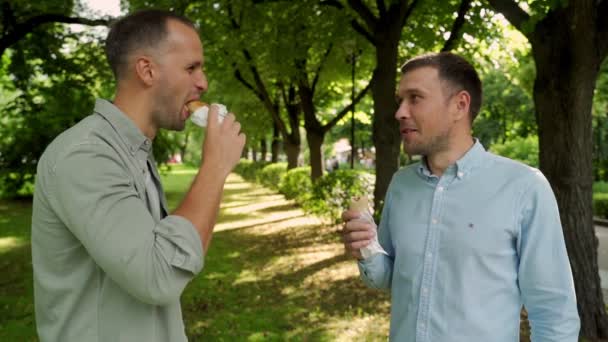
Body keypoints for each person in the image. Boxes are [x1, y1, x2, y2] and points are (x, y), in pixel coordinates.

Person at [31, 9, 245, 342]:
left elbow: (183, 257)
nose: (203, 82)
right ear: (146, 70)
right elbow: (159, 275)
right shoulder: (86, 156)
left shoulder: (134, 151)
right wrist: (214, 167)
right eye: (191, 68)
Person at [341, 52, 580, 341]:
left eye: (415, 98)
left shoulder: (525, 187)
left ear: (459, 105)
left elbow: (554, 312)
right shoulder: (401, 184)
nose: (400, 112)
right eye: (400, 100)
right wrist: (366, 247)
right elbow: (390, 276)